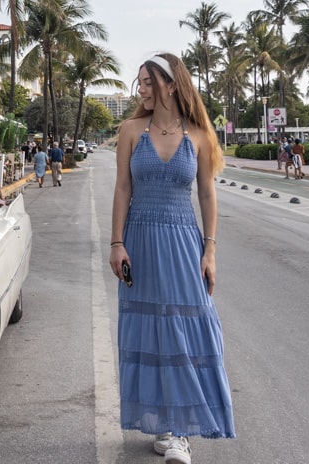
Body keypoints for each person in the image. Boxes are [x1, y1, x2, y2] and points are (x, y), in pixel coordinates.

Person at [109, 53, 235, 463]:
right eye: (139, 82)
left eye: (148, 81)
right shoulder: (130, 130)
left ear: (171, 84)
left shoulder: (198, 134)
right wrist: (116, 243)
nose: (141, 88)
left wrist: (210, 250)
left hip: (183, 240)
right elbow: (123, 188)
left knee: (186, 326)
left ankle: (180, 429)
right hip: (141, 239)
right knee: (152, 332)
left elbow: (206, 193)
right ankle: (165, 425)